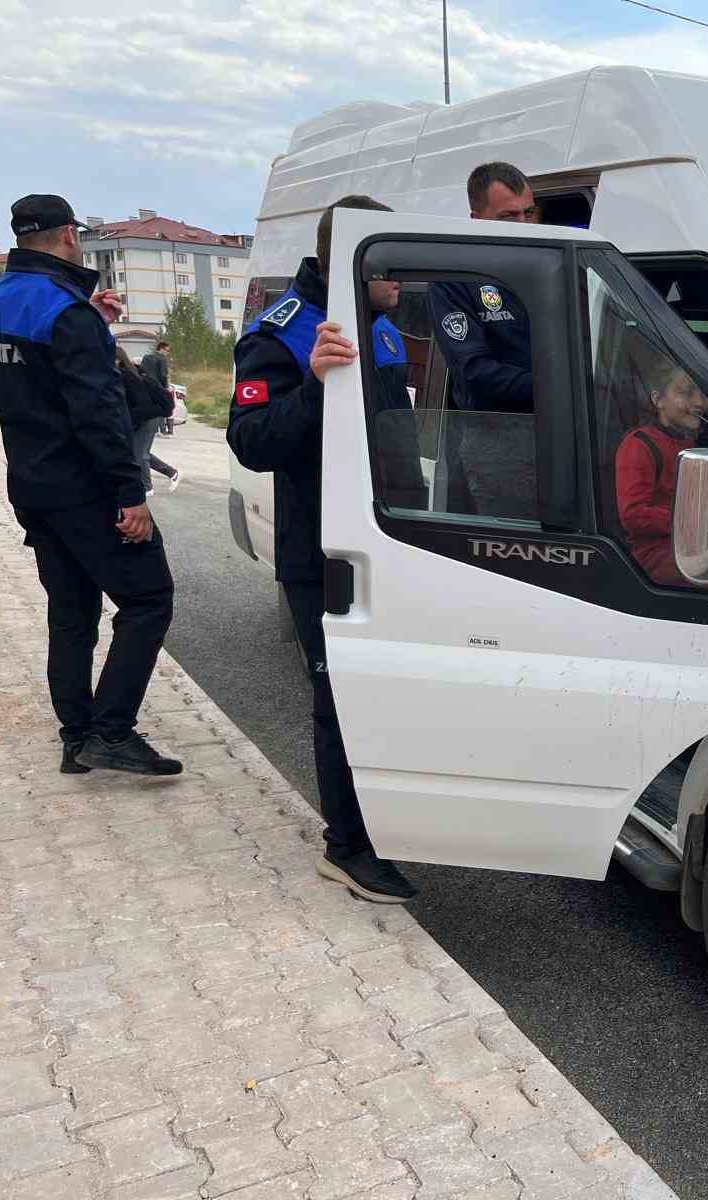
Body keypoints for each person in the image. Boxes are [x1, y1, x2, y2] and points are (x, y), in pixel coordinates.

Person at [226, 194, 418, 905]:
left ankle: (384, 821)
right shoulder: (280, 332)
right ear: (352, 257)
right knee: (340, 700)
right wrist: (313, 383)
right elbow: (249, 441)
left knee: (388, 692)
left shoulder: (384, 328)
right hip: (325, 550)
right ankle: (346, 848)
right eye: (389, 262)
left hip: (395, 541)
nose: (402, 278)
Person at [0, 193, 180, 776]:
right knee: (148, 599)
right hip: (87, 489)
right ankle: (112, 732)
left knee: (71, 614)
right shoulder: (69, 312)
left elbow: (36, 387)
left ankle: (76, 738)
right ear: (69, 235)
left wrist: (97, 326)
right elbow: (98, 413)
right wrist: (128, 494)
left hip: (31, 485)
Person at [427, 162, 537, 515]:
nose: (523, 226)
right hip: (497, 446)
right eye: (509, 217)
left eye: (529, 213)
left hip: (559, 436)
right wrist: (560, 386)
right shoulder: (454, 279)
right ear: (477, 220)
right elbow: (474, 372)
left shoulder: (546, 266)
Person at [614, 358, 708, 587]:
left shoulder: (693, 446)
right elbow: (633, 514)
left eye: (703, 394)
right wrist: (698, 522)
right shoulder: (639, 444)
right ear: (658, 399)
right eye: (685, 393)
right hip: (659, 555)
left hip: (698, 546)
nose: (699, 402)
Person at [117, 346, 179, 495]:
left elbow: (142, 404)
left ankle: (147, 488)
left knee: (140, 453)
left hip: (151, 415)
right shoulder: (129, 372)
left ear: (117, 359)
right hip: (147, 414)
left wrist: (131, 422)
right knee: (138, 450)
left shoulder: (128, 376)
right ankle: (172, 473)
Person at [140, 340, 178, 439]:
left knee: (149, 407)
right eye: (167, 350)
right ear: (160, 349)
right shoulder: (162, 359)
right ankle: (162, 431)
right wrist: (166, 386)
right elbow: (163, 375)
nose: (167, 353)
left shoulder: (146, 357)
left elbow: (141, 370)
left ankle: (152, 430)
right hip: (158, 387)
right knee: (161, 407)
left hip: (145, 386)